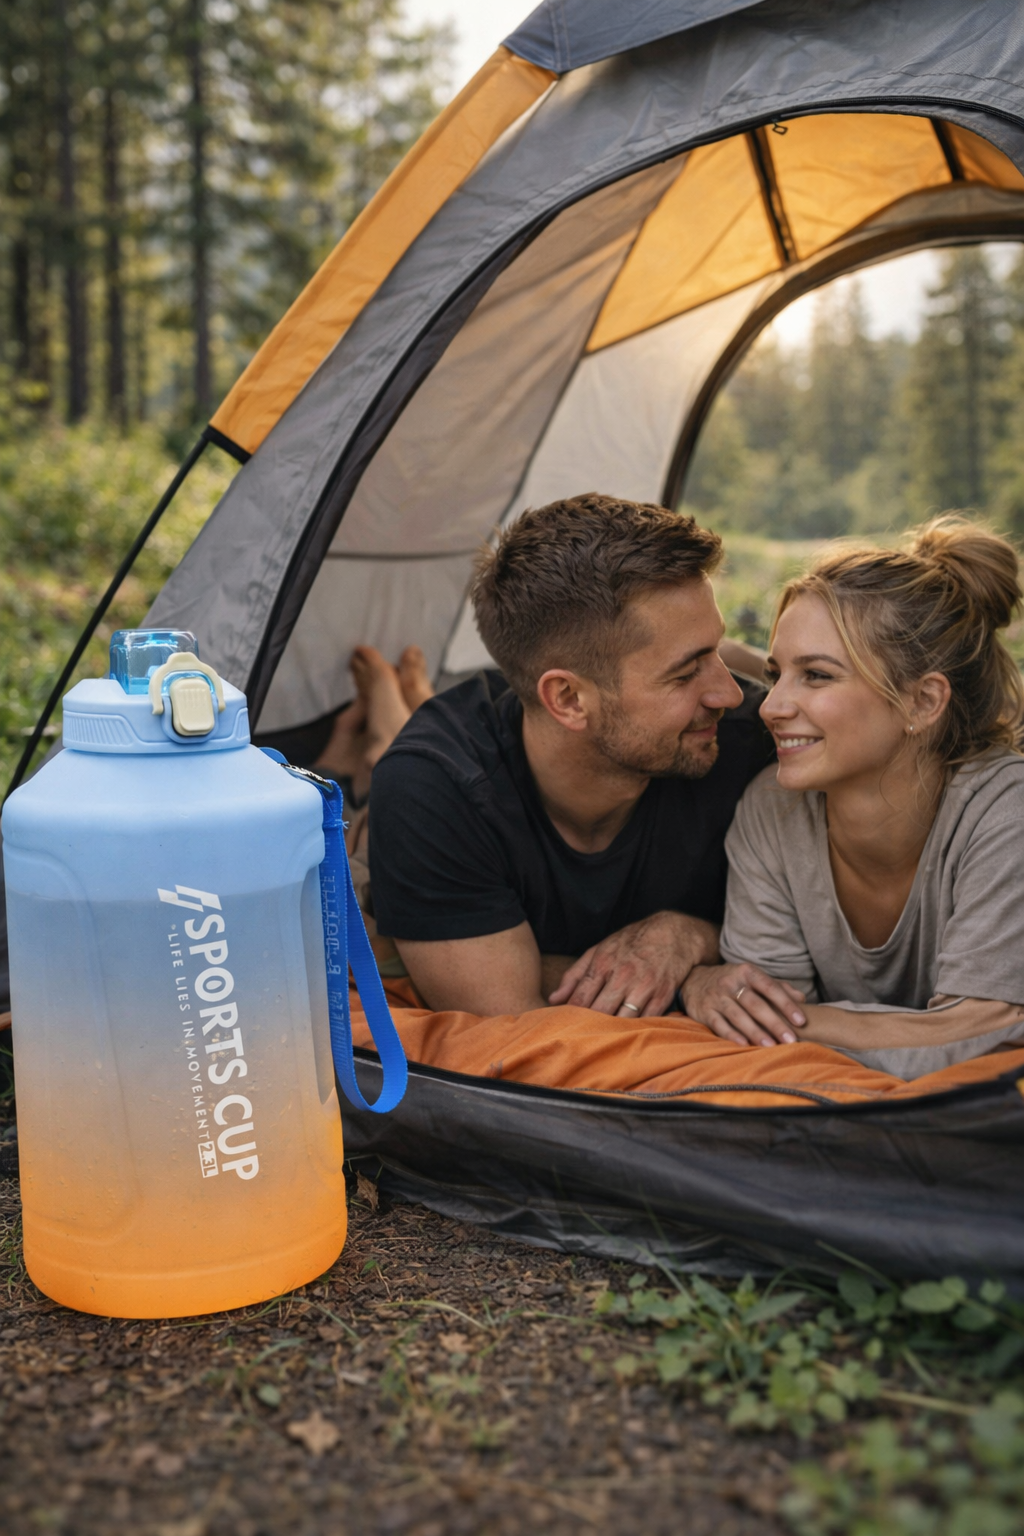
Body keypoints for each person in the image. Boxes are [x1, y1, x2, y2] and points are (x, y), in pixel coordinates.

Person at [365, 493, 786, 1018]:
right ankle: (384, 715)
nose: (727, 694)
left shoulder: (754, 742)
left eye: (717, 652)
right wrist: (691, 983)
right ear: (568, 699)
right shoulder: (433, 787)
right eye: (685, 672)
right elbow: (505, 1013)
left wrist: (688, 936)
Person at [680, 516, 1024, 1078]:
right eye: (776, 674)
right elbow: (759, 1034)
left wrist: (803, 1024)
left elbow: (988, 1037)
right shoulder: (771, 811)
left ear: (922, 702)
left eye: (815, 676)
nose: (770, 707)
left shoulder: (1004, 810)